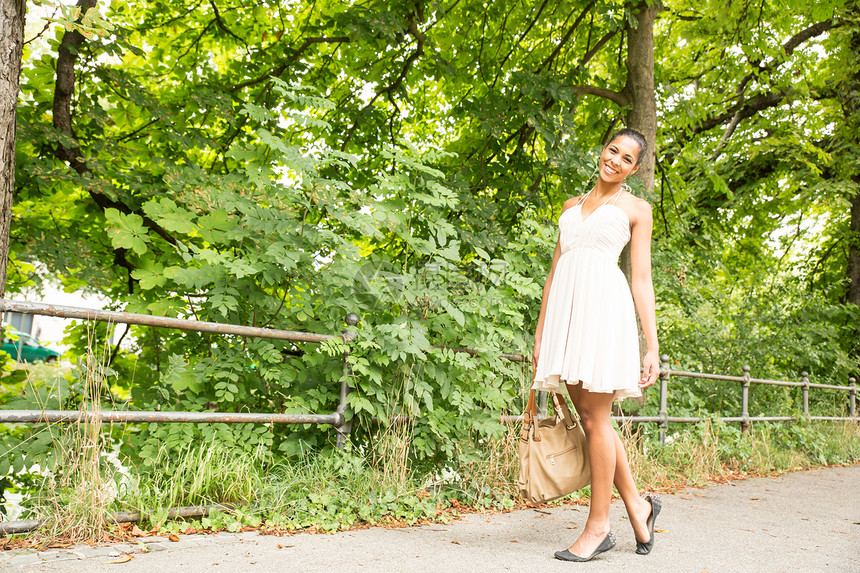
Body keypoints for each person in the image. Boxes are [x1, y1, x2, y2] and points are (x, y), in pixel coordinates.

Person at [531, 128, 661, 561]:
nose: (616, 161)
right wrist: (541, 333)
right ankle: (639, 506)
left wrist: (651, 346)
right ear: (602, 150)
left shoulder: (636, 208)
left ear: (635, 168)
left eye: (627, 159)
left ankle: (599, 526)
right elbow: (554, 274)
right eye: (613, 151)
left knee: (596, 418)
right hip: (567, 319)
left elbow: (641, 279)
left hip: (605, 313)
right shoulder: (570, 207)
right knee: (591, 416)